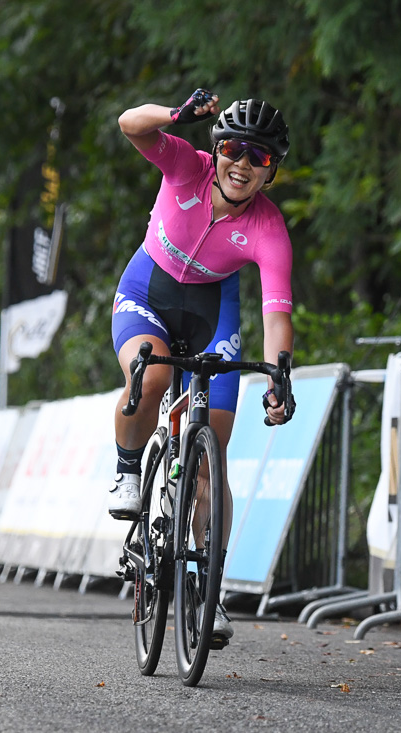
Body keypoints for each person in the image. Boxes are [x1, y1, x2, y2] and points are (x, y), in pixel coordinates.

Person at [110, 90, 295, 644]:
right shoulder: (185, 165)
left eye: (258, 157)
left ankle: (204, 591)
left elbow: (277, 312)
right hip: (148, 291)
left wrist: (280, 374)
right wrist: (175, 117)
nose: (242, 163)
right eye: (234, 149)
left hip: (213, 312)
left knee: (212, 457)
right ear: (217, 149)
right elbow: (128, 124)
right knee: (155, 375)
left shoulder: (267, 227)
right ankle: (126, 469)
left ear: (271, 172)